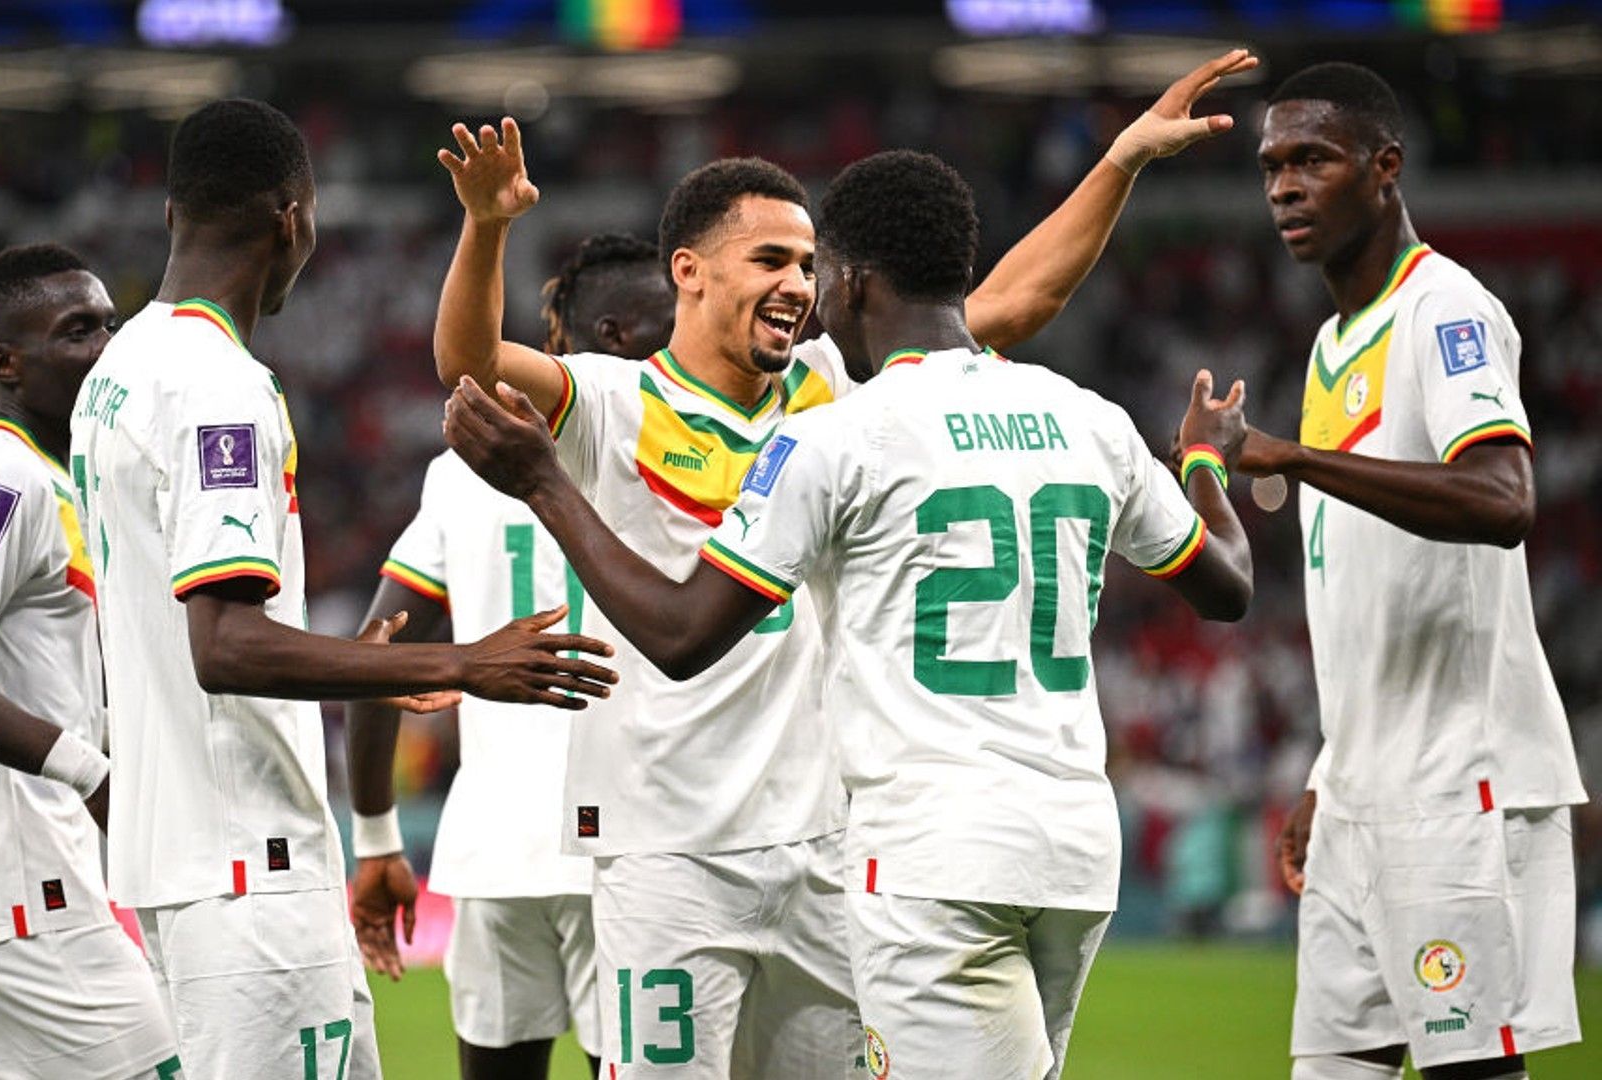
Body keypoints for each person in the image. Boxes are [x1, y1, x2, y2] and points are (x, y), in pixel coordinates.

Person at [431, 51, 1257, 1076]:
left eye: (809, 264)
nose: (796, 285)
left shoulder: (835, 391)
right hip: (667, 845)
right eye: (769, 260)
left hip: (828, 842)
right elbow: (467, 364)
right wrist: (487, 227)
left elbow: (1012, 301)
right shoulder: (609, 397)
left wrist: (1121, 160)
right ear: (688, 270)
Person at [69, 97, 618, 1079]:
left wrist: (367, 669)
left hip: (177, 854)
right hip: (247, 865)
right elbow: (224, 644)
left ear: (170, 218)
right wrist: (461, 661)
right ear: (293, 217)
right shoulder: (216, 386)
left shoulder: (119, 369)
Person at [1241, 62, 1587, 1080]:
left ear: (1385, 168)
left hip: (1459, 785)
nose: (1283, 187)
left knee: (1474, 1070)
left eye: (1312, 159)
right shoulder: (1328, 345)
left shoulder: (1447, 310)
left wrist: (1293, 457)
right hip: (1362, 792)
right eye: (1270, 167)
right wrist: (1328, 767)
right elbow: (1366, 592)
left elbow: (1502, 501)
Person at [348, 232, 672, 1080]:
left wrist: (378, 838)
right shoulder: (697, 466)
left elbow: (377, 654)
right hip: (640, 844)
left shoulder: (462, 473)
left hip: (498, 846)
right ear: (617, 338)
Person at [0, 245, 181, 1079]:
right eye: (77, 331)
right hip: (17, 889)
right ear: (2, 363)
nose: (105, 346)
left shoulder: (44, 480)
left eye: (109, 325)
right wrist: (92, 772)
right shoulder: (3, 479)